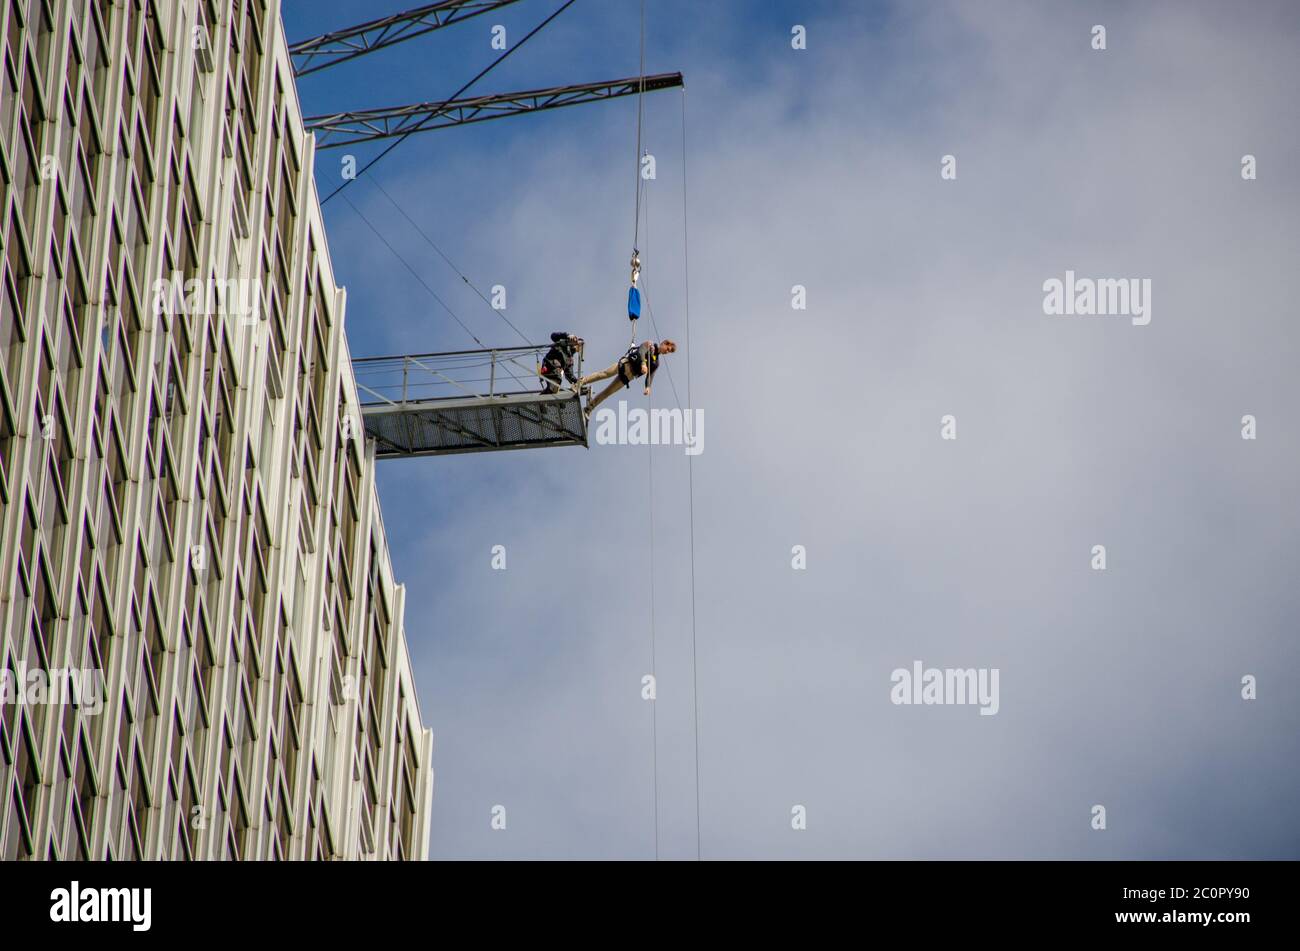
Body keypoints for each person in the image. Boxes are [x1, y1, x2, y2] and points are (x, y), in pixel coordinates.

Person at [580, 339, 677, 417]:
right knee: (604, 374)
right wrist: (643, 363)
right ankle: (581, 382)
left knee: (608, 392)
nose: (667, 352)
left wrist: (648, 387)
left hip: (629, 376)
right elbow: (641, 351)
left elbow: (650, 376)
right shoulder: (650, 344)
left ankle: (589, 408)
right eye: (667, 349)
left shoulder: (656, 363)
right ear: (664, 343)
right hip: (626, 364)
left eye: (669, 352)